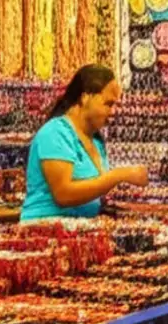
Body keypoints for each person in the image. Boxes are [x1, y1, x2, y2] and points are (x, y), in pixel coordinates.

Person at [20, 65, 148, 221]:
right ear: (85, 97)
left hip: (81, 230)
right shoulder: (55, 132)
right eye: (108, 104)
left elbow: (93, 189)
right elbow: (63, 194)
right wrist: (118, 175)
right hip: (45, 229)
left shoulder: (95, 141)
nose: (112, 112)